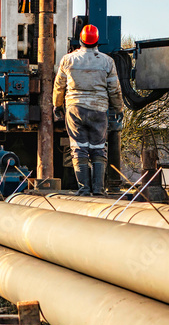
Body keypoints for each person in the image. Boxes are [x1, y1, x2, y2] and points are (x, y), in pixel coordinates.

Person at [53, 24, 124, 196]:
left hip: (75, 109)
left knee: (79, 149)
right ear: (97, 40)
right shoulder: (107, 61)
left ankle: (84, 190)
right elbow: (114, 88)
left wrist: (57, 104)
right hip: (99, 110)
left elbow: (59, 85)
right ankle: (99, 190)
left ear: (81, 40)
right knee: (99, 148)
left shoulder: (68, 60)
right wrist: (118, 107)